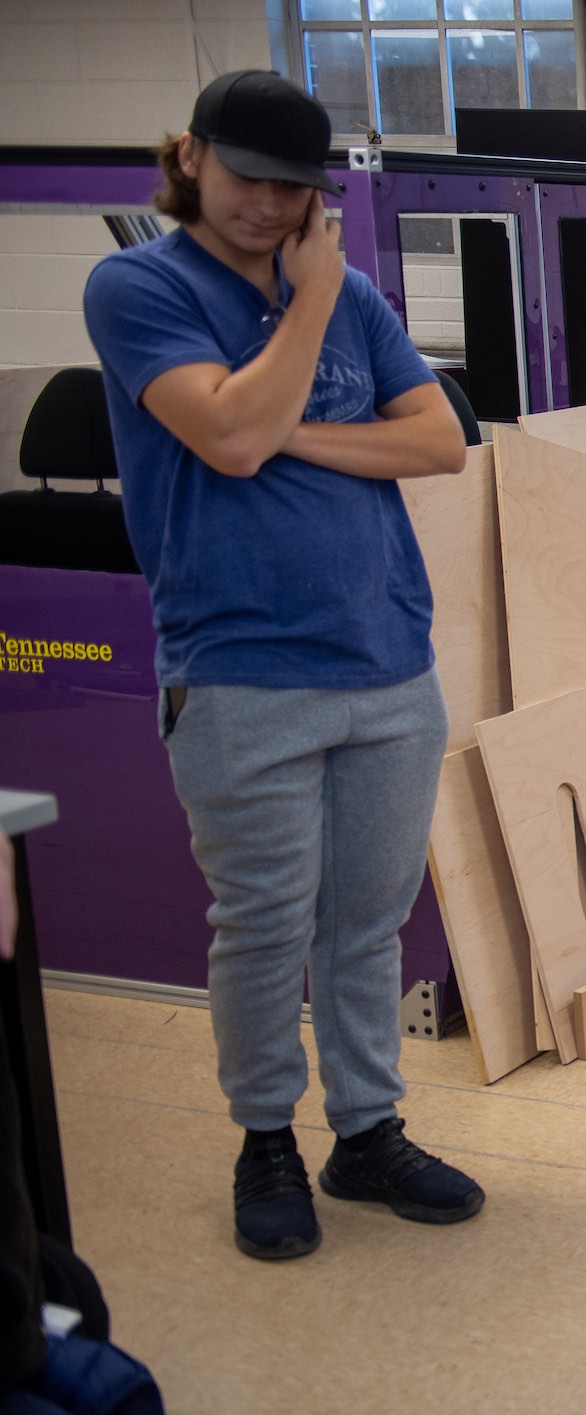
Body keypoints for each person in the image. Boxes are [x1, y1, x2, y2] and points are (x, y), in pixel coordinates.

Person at [81, 71, 479, 1261]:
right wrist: (303, 308)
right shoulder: (138, 286)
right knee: (262, 924)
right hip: (241, 665)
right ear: (192, 158)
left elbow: (440, 443)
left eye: (294, 189)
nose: (268, 206)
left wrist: (288, 431)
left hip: (386, 659)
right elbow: (230, 434)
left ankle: (365, 1129)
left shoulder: (350, 294)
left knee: (366, 923)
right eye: (250, 179)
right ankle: (266, 1135)